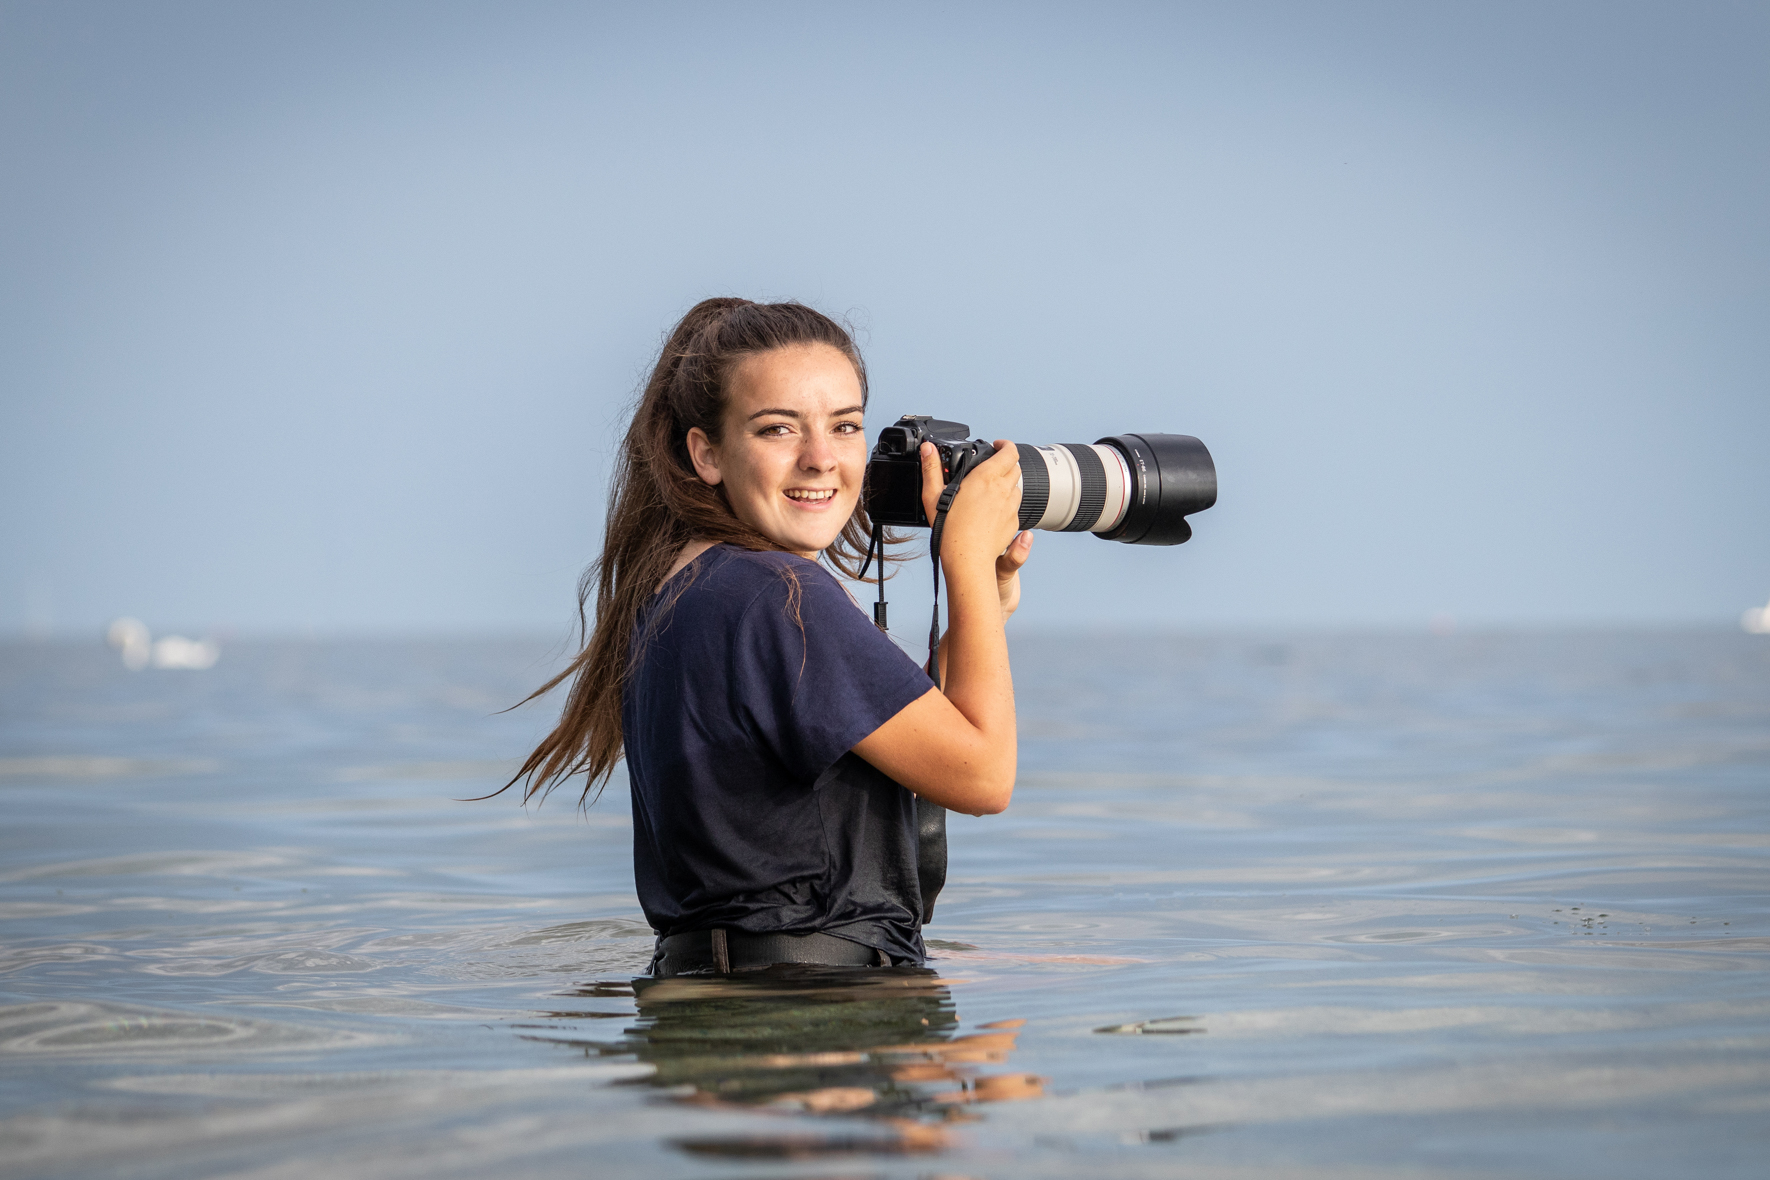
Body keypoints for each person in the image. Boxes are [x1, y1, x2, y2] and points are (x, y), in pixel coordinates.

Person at [507, 298, 1032, 975]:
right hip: (813, 1023)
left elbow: (911, 745)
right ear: (707, 453)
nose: (820, 459)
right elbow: (983, 778)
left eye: (844, 427)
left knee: (1063, 969)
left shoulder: (687, 588)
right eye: (778, 430)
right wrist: (961, 558)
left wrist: (981, 609)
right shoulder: (780, 598)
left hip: (723, 995)